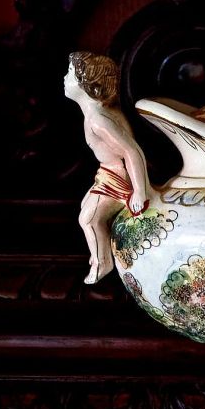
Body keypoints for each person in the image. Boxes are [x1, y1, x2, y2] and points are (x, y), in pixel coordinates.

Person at [65, 52, 150, 285]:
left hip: (118, 176)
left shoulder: (99, 120)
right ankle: (104, 250)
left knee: (88, 218)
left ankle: (102, 263)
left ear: (88, 84)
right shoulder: (96, 113)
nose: (64, 78)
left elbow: (132, 152)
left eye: (70, 73)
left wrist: (139, 191)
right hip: (106, 172)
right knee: (86, 207)